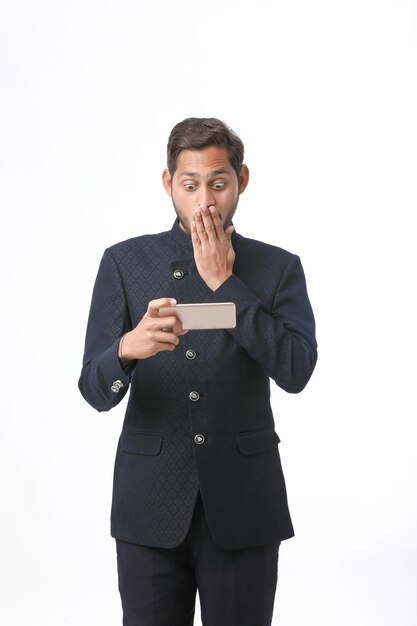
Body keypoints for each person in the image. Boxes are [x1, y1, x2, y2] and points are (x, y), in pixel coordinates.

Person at [79, 117, 317, 626]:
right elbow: (94, 391)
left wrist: (224, 282)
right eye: (190, 186)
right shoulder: (124, 263)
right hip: (148, 504)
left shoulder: (278, 268)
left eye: (218, 183)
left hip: (245, 504)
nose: (205, 201)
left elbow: (296, 370)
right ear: (169, 185)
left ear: (241, 181)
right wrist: (126, 349)